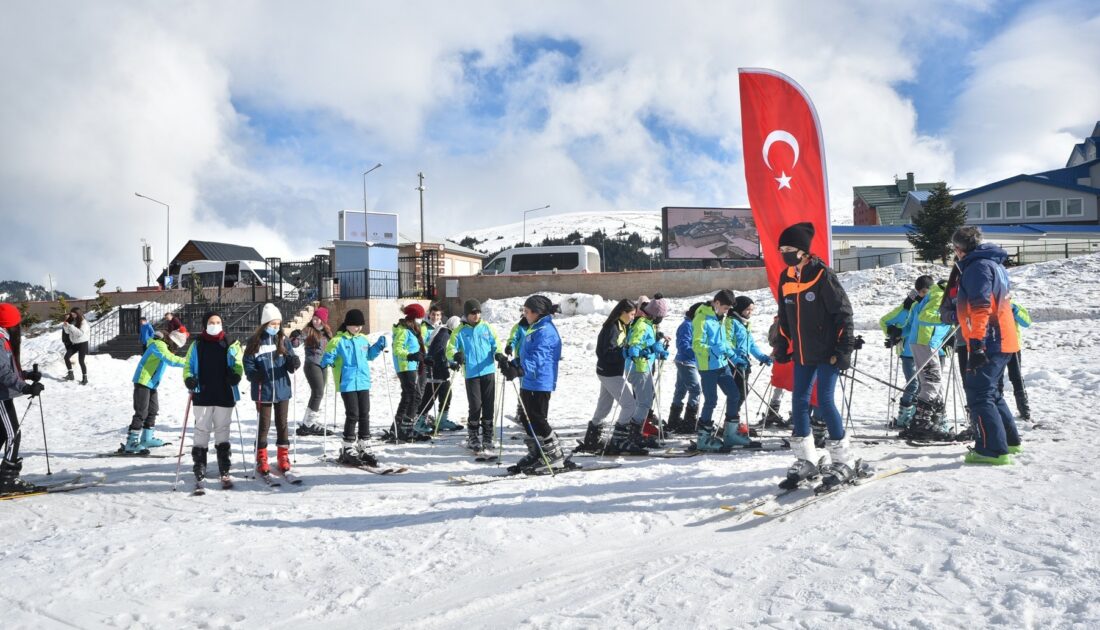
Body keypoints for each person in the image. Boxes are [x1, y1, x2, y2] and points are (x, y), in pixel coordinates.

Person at [772, 222, 858, 490]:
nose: (784, 253)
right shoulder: (786, 278)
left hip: (828, 352)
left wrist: (844, 348)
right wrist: (782, 345)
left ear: (803, 251)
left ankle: (843, 460)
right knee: (798, 400)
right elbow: (785, 318)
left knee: (824, 399)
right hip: (802, 352)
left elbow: (843, 313)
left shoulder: (822, 275)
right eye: (781, 249)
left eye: (788, 249)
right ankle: (806, 459)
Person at [943, 227, 1021, 465]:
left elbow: (980, 306)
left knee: (978, 394)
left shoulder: (977, 267)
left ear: (960, 249)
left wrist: (976, 344)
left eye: (955, 249)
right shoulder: (992, 264)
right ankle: (1009, 441)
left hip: (989, 341)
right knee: (991, 393)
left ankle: (992, 450)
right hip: (1002, 338)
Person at [504, 295, 567, 474]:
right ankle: (537, 452)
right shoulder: (535, 327)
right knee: (525, 418)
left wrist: (520, 369)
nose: (524, 315)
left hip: (540, 380)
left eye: (526, 311)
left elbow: (539, 356)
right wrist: (513, 364)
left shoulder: (546, 330)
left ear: (537, 313)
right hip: (529, 380)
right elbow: (527, 353)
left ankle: (555, 455)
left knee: (537, 418)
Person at [183, 311, 244, 488]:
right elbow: (188, 366)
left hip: (224, 392)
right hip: (202, 392)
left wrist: (236, 375)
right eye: (211, 322)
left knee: (222, 429)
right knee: (201, 428)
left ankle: (224, 465)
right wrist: (188, 379)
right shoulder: (197, 344)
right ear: (205, 324)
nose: (215, 324)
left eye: (218, 322)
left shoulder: (231, 342)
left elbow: (238, 363)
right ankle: (199, 464)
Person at [320, 309, 387, 466]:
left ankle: (364, 444)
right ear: (348, 324)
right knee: (353, 414)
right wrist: (328, 359)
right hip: (347, 382)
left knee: (365, 413)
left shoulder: (363, 339)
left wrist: (378, 346)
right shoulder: (338, 340)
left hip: (363, 381)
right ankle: (347, 446)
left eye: (360, 325)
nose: (358, 328)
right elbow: (327, 356)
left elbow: (369, 355)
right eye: (355, 325)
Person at [243, 304, 301, 475]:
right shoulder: (255, 342)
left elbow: (290, 360)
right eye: (272, 324)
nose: (275, 327)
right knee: (264, 424)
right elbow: (248, 363)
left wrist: (293, 363)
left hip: (282, 388)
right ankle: (261, 457)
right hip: (264, 388)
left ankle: (283, 456)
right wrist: (254, 374)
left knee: (282, 424)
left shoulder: (283, 340)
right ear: (265, 324)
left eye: (278, 324)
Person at [578, 299, 638, 453]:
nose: (632, 317)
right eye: (631, 314)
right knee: (629, 405)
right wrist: (623, 353)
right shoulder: (612, 328)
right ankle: (618, 439)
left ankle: (592, 438)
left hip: (609, 371)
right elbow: (604, 353)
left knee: (604, 405)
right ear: (622, 312)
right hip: (609, 372)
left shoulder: (622, 326)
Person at [691, 289, 748, 451]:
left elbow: (724, 344)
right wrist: (712, 350)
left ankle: (730, 434)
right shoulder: (701, 318)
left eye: (729, 309)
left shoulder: (720, 319)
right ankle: (703, 438)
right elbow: (696, 345)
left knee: (734, 394)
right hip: (707, 366)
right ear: (716, 303)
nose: (727, 311)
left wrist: (735, 358)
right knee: (711, 400)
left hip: (722, 364)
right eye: (725, 308)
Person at [0, 303, 46, 495]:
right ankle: (7, 480)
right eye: (17, 323)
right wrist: (25, 387)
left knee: (3, 434)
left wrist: (26, 375)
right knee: (13, 435)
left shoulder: (3, 338)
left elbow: (7, 369)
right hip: (0, 397)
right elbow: (2, 372)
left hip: (2, 394)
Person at [447, 299, 501, 453]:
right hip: (471, 373)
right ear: (466, 314)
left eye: (478, 312)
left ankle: (488, 436)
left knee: (489, 405)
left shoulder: (487, 328)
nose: (476, 315)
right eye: (472, 313)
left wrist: (498, 355)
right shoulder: (459, 331)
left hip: (488, 370)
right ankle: (473, 435)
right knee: (476, 406)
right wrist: (455, 355)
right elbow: (450, 349)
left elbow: (496, 344)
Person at [902, 275, 953, 440]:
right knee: (932, 382)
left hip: (929, 342)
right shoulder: (940, 295)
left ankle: (932, 420)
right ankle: (921, 422)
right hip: (925, 342)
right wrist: (949, 318)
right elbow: (925, 317)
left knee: (934, 383)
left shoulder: (941, 293)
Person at [124, 327, 189, 453]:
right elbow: (170, 359)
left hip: (152, 383)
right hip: (143, 381)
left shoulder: (164, 346)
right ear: (172, 340)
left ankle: (147, 438)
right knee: (141, 411)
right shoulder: (158, 344)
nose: (175, 348)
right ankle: (131, 442)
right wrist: (188, 363)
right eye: (176, 345)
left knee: (153, 410)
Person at [623, 294, 670, 447]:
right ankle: (634, 433)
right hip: (638, 367)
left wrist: (660, 350)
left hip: (644, 366)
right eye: (660, 317)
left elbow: (651, 342)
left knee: (646, 401)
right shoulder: (642, 325)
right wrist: (638, 352)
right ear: (654, 315)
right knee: (644, 402)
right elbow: (634, 343)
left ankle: (638, 430)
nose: (660, 320)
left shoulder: (648, 324)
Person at [724, 295, 773, 434]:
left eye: (752, 310)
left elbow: (751, 344)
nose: (750, 313)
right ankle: (731, 423)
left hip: (744, 362)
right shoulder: (730, 322)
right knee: (737, 393)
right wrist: (734, 357)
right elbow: (726, 342)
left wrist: (761, 356)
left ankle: (733, 420)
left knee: (742, 393)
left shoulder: (744, 323)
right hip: (734, 363)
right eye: (747, 310)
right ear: (739, 309)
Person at [879, 289, 921, 430]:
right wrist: (892, 334)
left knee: (923, 386)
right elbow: (884, 321)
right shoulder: (903, 310)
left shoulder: (925, 308)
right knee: (913, 384)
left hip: (924, 351)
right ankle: (904, 416)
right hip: (907, 353)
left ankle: (916, 415)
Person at [291, 306, 333, 437]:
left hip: (324, 365)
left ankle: (309, 422)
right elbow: (296, 343)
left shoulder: (327, 332)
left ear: (323, 320)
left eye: (318, 319)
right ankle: (308, 424)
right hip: (312, 364)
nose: (316, 321)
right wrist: (295, 338)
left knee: (319, 394)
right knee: (318, 393)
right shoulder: (308, 330)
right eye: (314, 319)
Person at [390, 303, 428, 441]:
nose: (421, 320)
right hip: (405, 366)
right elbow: (397, 349)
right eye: (419, 317)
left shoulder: (414, 329)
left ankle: (398, 425)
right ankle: (406, 427)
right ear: (412, 317)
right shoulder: (403, 330)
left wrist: (425, 358)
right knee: (414, 396)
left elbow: (418, 347)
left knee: (408, 396)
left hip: (413, 365)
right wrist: (410, 355)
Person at [667, 302, 704, 435]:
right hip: (686, 362)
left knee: (681, 389)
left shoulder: (694, 324)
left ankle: (674, 420)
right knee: (695, 390)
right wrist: (699, 354)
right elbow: (683, 345)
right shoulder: (687, 325)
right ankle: (689, 421)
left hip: (687, 361)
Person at [423, 315, 463, 432]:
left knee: (445, 394)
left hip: (438, 369)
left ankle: (442, 420)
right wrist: (446, 365)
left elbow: (443, 353)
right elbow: (439, 353)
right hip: (437, 371)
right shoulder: (444, 334)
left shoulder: (443, 332)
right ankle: (420, 420)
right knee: (431, 396)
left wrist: (451, 363)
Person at [1001, 301, 1032, 423]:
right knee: (998, 379)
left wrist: (1015, 311)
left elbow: (1026, 322)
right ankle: (999, 408)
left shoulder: (1014, 305)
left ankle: (1024, 409)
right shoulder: (992, 304)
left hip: (1014, 347)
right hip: (998, 347)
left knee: (1017, 377)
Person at [62, 307, 90, 384]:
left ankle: (85, 378)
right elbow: (68, 332)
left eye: (74, 314)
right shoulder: (73, 321)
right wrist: (65, 327)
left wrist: (70, 326)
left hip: (83, 343)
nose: (73, 315)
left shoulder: (84, 323)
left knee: (81, 361)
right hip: (75, 343)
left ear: (78, 313)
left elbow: (80, 333)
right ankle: (71, 375)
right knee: (66, 357)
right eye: (72, 314)